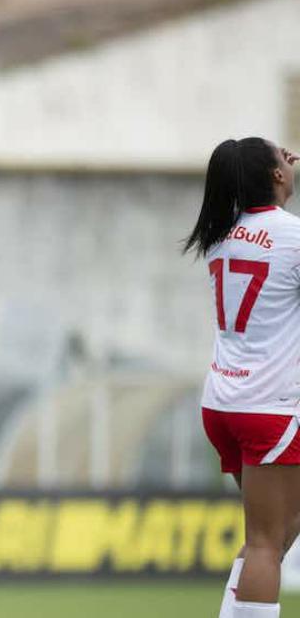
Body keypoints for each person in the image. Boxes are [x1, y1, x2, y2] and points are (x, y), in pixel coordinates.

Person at [185, 138, 299, 618]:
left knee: (271, 536)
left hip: (226, 403)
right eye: (282, 156)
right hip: (270, 406)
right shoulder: (292, 236)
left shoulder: (221, 233)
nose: (291, 159)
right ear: (275, 175)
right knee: (266, 544)